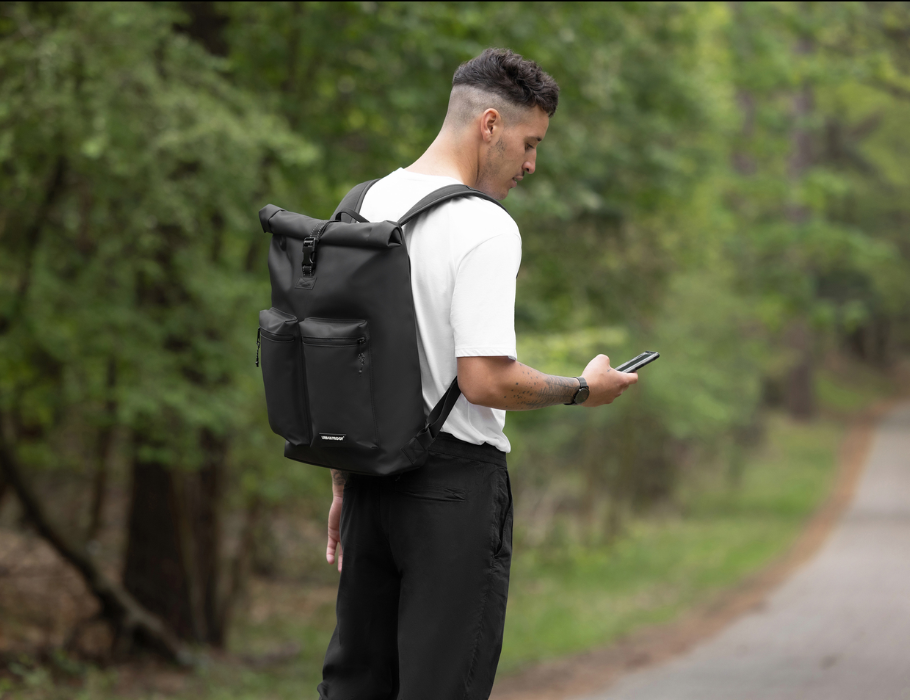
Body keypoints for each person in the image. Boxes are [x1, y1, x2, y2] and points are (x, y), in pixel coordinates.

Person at [317, 48, 638, 700]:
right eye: (529, 143)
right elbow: (485, 381)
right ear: (489, 123)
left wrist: (343, 483)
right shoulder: (485, 226)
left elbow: (345, 366)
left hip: (370, 482)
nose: (530, 165)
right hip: (453, 493)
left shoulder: (361, 203)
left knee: (355, 687)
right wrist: (581, 390)